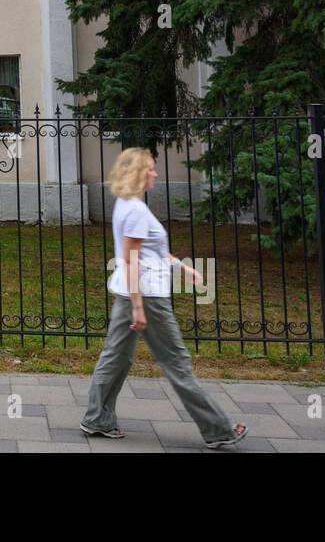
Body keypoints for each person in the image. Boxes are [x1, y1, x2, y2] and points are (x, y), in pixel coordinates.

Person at [80, 147, 248, 449]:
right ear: (137, 173)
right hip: (147, 297)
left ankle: (97, 418)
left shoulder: (127, 204)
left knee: (116, 357)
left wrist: (182, 267)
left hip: (128, 292)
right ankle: (219, 429)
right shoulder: (134, 211)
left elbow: (150, 251)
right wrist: (139, 308)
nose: (155, 173)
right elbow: (131, 261)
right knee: (177, 363)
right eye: (150, 169)